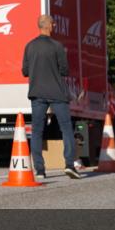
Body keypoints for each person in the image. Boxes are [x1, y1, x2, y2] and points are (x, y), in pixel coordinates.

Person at [22, 14, 82, 181]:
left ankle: (40, 170)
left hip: (37, 93)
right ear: (49, 26)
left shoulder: (29, 46)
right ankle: (69, 165)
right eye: (53, 24)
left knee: (37, 131)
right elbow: (64, 70)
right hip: (57, 93)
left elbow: (25, 71)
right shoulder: (57, 46)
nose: (55, 26)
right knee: (66, 129)